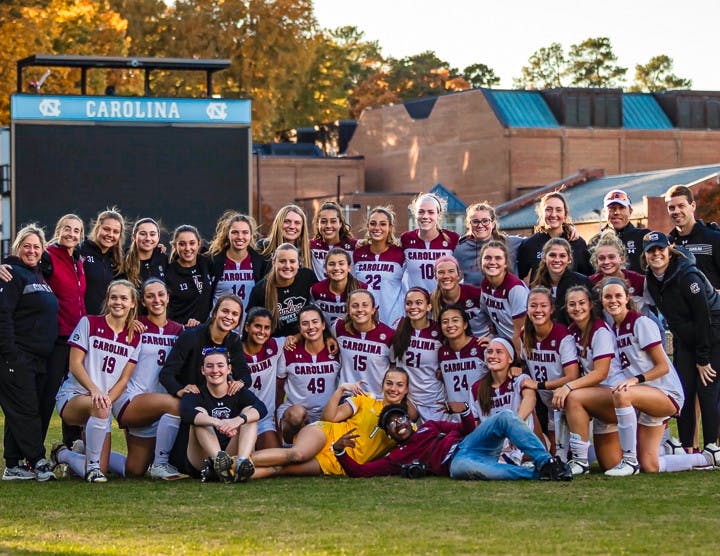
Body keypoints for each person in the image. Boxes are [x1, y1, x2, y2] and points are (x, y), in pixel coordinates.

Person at [333, 339, 572, 481]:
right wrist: (339, 451)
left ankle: (548, 461)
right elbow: (361, 472)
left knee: (505, 417)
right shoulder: (398, 456)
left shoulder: (429, 426)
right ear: (390, 434)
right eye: (392, 424)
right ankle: (538, 475)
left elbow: (467, 428)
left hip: (469, 444)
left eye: (400, 418)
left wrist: (464, 410)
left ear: (409, 418)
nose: (399, 424)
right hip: (458, 461)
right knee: (461, 468)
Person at [600, 277, 698, 476]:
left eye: (618, 296)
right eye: (607, 296)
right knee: (651, 465)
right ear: (601, 300)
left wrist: (635, 380)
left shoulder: (640, 322)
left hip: (664, 393)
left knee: (622, 394)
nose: (613, 300)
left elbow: (662, 367)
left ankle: (629, 461)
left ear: (627, 298)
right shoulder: (614, 329)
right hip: (645, 395)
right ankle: (706, 459)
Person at [53, 280, 141, 482]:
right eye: (114, 297)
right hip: (75, 396)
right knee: (95, 468)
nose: (118, 302)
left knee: (117, 466)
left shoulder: (135, 336)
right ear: (108, 300)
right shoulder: (89, 322)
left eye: (124, 298)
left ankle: (63, 453)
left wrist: (107, 400)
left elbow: (124, 379)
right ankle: (92, 467)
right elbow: (75, 364)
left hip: (102, 404)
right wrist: (94, 391)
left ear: (133, 304)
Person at [249, 369, 411, 478]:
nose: (393, 389)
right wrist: (340, 390)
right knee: (296, 454)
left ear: (406, 389)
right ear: (382, 386)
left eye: (399, 385)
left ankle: (230, 468)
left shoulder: (406, 427)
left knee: (280, 469)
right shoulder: (366, 400)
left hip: (336, 461)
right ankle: (239, 459)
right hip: (325, 434)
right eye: (389, 383)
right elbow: (329, 418)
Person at [642, 231, 720, 456]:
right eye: (651, 251)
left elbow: (703, 317)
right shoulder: (652, 280)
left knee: (707, 388)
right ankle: (688, 446)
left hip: (712, 335)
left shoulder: (687, 276)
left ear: (669, 250)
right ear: (646, 255)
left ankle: (712, 447)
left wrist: (703, 358)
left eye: (660, 249)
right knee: (683, 388)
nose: (656, 254)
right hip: (685, 338)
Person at [0, 225, 58, 481]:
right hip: (16, 357)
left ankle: (13, 465)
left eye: (36, 247)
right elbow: (3, 316)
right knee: (27, 411)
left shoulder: (39, 276)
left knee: (20, 410)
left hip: (37, 358)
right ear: (17, 248)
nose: (32, 251)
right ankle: (38, 461)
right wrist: (11, 354)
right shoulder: (11, 274)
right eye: (27, 246)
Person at [110, 279, 184, 478]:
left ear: (168, 298)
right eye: (150, 296)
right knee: (178, 405)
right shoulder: (134, 326)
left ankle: (73, 453)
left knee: (134, 470)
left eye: (161, 294)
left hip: (158, 406)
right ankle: (161, 465)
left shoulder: (180, 331)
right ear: (142, 301)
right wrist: (126, 322)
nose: (156, 300)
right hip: (131, 398)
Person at [173, 348, 266, 482]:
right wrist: (218, 422)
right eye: (209, 366)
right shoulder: (196, 392)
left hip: (230, 452)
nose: (215, 370)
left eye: (220, 366)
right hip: (202, 459)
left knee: (250, 415)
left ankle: (241, 464)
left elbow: (261, 408)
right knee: (200, 416)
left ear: (229, 369)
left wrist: (237, 421)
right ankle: (219, 463)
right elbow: (186, 413)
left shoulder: (237, 391)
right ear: (202, 370)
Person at [561, 286, 624, 474]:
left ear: (590, 305)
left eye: (582, 303)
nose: (577, 308)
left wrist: (567, 386)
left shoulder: (600, 330)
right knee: (611, 464)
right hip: (596, 397)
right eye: (572, 304)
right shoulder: (572, 331)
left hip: (614, 394)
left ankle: (579, 461)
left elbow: (600, 373)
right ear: (566, 307)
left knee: (573, 397)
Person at [519, 287, 580, 460]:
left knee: (562, 456)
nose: (538, 310)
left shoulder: (562, 335)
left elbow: (572, 376)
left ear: (552, 309)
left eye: (543, 305)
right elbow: (523, 363)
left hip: (566, 399)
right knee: (554, 455)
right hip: (548, 403)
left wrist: (539, 385)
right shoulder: (525, 334)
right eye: (533, 305)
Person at [276, 304, 340, 444]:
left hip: (326, 412)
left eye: (315, 322)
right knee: (296, 414)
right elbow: (279, 386)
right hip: (295, 411)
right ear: (299, 329)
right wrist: (275, 419)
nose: (311, 327)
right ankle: (288, 444)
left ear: (323, 325)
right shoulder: (289, 351)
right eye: (305, 324)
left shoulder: (335, 350)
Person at [392, 288, 445, 422]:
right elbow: (392, 361)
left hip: (434, 398)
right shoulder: (398, 326)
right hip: (409, 399)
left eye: (419, 302)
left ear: (428, 307)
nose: (413, 307)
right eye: (409, 303)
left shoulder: (439, 331)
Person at [517, 191, 592, 281]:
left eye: (558, 210)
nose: (553, 214)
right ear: (541, 213)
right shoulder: (530, 244)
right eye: (548, 209)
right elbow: (518, 276)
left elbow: (588, 277)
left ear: (565, 214)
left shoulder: (577, 243)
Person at [247, 243, 318, 337]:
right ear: (273, 262)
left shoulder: (307, 277)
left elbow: (320, 306)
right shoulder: (260, 289)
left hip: (303, 337)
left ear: (298, 263)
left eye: (292, 261)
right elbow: (251, 323)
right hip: (273, 341)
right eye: (282, 261)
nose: (287, 266)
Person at [333, 289, 394, 398]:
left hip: (377, 398)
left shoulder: (389, 335)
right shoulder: (339, 328)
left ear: (373, 309)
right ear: (348, 309)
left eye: (365, 305)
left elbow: (394, 365)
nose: (360, 310)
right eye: (355, 306)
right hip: (348, 396)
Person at [353, 206, 406, 325]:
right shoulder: (358, 253)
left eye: (382, 224)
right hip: (363, 319)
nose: (377, 228)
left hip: (393, 320)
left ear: (390, 227)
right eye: (373, 223)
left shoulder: (400, 254)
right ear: (368, 226)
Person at [207, 211, 267, 316]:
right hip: (219, 325)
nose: (240, 237)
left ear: (251, 235)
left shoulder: (260, 262)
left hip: (248, 326)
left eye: (245, 232)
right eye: (235, 232)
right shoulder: (213, 261)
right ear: (228, 234)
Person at [242, 307, 285, 449]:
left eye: (267, 328)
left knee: (275, 459)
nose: (262, 332)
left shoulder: (275, 346)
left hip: (264, 418)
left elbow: (298, 336)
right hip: (239, 418)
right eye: (257, 326)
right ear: (247, 327)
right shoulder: (235, 351)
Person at [401, 192, 459, 292]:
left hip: (443, 302)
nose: (425, 216)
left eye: (431, 212)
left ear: (439, 214)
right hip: (417, 303)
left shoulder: (452, 239)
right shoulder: (406, 239)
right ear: (415, 213)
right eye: (421, 212)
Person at [478, 240, 529, 356]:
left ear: (506, 263)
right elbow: (489, 317)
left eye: (498, 258)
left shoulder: (514, 288)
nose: (492, 262)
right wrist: (492, 337)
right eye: (487, 258)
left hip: (523, 348)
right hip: (505, 342)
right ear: (481, 262)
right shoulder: (485, 284)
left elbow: (521, 332)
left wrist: (518, 363)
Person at [453, 201, 522, 286]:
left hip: (505, 297)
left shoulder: (511, 243)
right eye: (475, 221)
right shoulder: (459, 250)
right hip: (474, 297)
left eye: (485, 221)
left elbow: (536, 243)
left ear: (493, 224)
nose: (480, 225)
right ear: (469, 224)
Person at [665, 184, 720, 289]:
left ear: (693, 206)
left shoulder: (714, 238)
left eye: (681, 206)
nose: (676, 211)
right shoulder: (667, 244)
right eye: (671, 208)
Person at [438, 305, 487, 419]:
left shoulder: (481, 346)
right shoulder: (441, 352)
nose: (450, 325)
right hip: (457, 417)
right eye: (445, 322)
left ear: (465, 324)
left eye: (455, 320)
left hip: (482, 414)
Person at [530, 238, 594, 325]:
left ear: (569, 259)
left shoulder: (582, 282)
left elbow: (594, 315)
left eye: (562, 256)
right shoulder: (537, 285)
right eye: (552, 255)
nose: (557, 260)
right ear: (544, 258)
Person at [588, 190, 649, 273]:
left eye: (622, 208)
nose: (616, 212)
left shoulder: (644, 237)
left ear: (630, 211)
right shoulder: (595, 241)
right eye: (612, 208)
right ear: (604, 212)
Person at [164, 225, 213, 326]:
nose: (187, 248)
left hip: (206, 332)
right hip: (179, 331)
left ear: (199, 244)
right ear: (174, 246)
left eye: (192, 243)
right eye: (182, 244)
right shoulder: (168, 272)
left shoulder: (207, 263)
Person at [79, 208, 125, 315]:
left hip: (107, 322)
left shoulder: (117, 260)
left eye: (115, 232)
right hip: (82, 320)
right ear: (97, 228)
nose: (110, 234)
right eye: (106, 229)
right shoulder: (81, 250)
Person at [431, 255, 490, 337]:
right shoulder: (432, 300)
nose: (446, 276)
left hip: (481, 343)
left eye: (451, 271)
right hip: (453, 345)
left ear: (458, 275)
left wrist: (491, 338)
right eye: (441, 272)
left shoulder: (476, 294)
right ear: (435, 277)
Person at [310, 248, 366, 325]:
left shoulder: (364, 289)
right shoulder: (316, 290)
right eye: (331, 264)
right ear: (325, 268)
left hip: (353, 335)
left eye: (341, 263)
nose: (336, 268)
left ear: (349, 267)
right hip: (325, 335)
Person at [309, 201, 357, 280]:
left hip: (347, 291)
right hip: (320, 291)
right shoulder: (311, 246)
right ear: (318, 224)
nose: (328, 225)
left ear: (340, 223)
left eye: (333, 221)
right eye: (323, 222)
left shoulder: (354, 246)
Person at [259, 204, 312, 271]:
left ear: (302, 227)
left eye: (297, 223)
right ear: (278, 223)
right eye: (287, 221)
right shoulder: (263, 247)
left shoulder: (308, 250)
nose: (292, 226)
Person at [121, 217, 168, 291]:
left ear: (158, 238)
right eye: (143, 234)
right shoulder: (122, 263)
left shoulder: (164, 260)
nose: (148, 238)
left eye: (152, 234)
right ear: (133, 237)